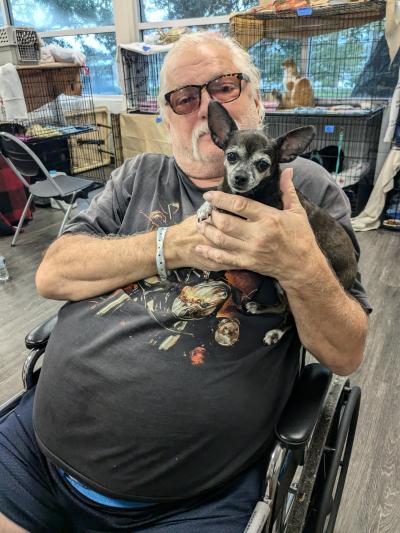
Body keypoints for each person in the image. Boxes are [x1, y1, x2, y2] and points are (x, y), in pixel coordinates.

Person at [0, 32, 370, 532]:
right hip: (33, 455)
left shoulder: (304, 191)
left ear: (258, 100)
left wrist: (298, 265)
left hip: (192, 501)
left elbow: (346, 351)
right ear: (165, 116)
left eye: (224, 86)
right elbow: (52, 273)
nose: (204, 108)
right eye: (183, 97)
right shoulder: (136, 175)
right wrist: (170, 245)